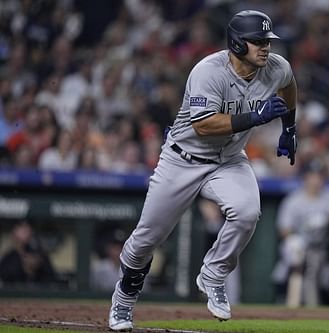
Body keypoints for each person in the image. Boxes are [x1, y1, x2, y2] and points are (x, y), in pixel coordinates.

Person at [108, 10, 297, 331]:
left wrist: (289, 129)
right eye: (257, 41)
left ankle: (214, 274)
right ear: (237, 44)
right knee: (147, 239)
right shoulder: (209, 71)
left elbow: (290, 86)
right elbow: (204, 125)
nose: (265, 47)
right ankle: (123, 300)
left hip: (229, 160)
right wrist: (255, 118)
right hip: (183, 160)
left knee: (247, 212)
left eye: (267, 41)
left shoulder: (276, 67)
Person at [271, 159, 329, 307]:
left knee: (320, 267)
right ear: (305, 178)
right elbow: (284, 229)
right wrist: (298, 237)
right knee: (294, 246)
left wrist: (328, 219)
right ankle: (287, 294)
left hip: (323, 249)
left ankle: (317, 301)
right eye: (312, 176)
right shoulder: (294, 200)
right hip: (299, 248)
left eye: (320, 176)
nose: (316, 180)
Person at [0, 220, 57, 285]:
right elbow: (5, 279)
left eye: (28, 227)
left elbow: (51, 278)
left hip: (38, 293)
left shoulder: (40, 255)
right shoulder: (8, 258)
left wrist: (35, 269)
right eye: (22, 227)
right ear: (13, 232)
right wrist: (25, 269)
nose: (26, 230)